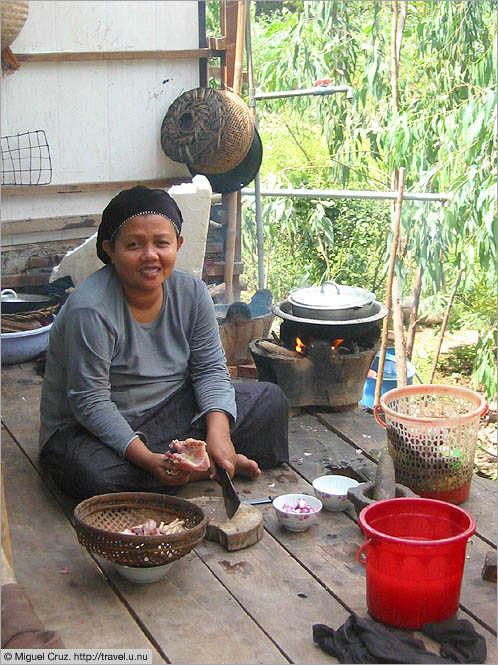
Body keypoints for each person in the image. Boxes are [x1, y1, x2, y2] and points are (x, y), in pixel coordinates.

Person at [39, 186, 289, 500]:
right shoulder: (90, 310)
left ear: (178, 244)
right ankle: (185, 467)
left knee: (271, 401)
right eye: (133, 245)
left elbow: (210, 370)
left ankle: (199, 461)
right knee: (89, 474)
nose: (150, 256)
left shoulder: (192, 293)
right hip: (93, 427)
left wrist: (219, 433)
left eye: (162, 243)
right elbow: (91, 404)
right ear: (110, 250)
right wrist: (147, 459)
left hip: (171, 410)